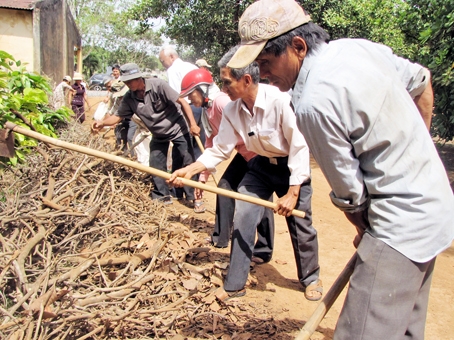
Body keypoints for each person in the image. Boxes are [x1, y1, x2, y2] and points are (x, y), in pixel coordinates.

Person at [226, 0, 454, 338]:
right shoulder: (357, 48)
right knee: (405, 329)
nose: (264, 74)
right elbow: (421, 81)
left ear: (298, 47)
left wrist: (365, 230)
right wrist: (420, 157)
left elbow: (351, 194)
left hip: (398, 230)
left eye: (266, 62)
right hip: (435, 206)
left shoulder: (312, 102)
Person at [169, 47, 322, 302]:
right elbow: (220, 148)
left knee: (300, 223)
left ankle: (310, 278)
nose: (224, 88)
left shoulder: (279, 100)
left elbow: (299, 146)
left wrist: (293, 192)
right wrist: (190, 169)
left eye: (227, 82)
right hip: (261, 166)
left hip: (291, 167)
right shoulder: (232, 110)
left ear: (247, 80)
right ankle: (235, 283)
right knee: (244, 211)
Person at [179, 68, 275, 260]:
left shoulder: (222, 103)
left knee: (261, 199)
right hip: (244, 153)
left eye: (191, 95)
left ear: (203, 90)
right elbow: (212, 141)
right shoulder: (208, 110)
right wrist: (203, 175)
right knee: (225, 186)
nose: (190, 100)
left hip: (259, 152)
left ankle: (264, 249)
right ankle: (221, 237)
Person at [92, 63, 200, 204]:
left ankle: (193, 197)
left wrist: (192, 124)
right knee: (155, 162)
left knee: (187, 161)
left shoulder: (158, 85)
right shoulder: (129, 98)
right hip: (158, 133)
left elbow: (183, 102)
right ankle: (162, 195)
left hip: (177, 128)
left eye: (130, 81)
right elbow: (118, 116)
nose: (128, 84)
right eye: (126, 82)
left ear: (139, 78)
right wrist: (102, 122)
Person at [159, 46, 206, 208]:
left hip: (187, 112)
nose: (162, 64)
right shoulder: (191, 67)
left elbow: (179, 99)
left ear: (171, 57)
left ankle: (186, 193)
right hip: (200, 108)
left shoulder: (173, 70)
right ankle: (196, 195)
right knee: (198, 153)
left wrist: (191, 122)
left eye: (162, 60)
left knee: (184, 151)